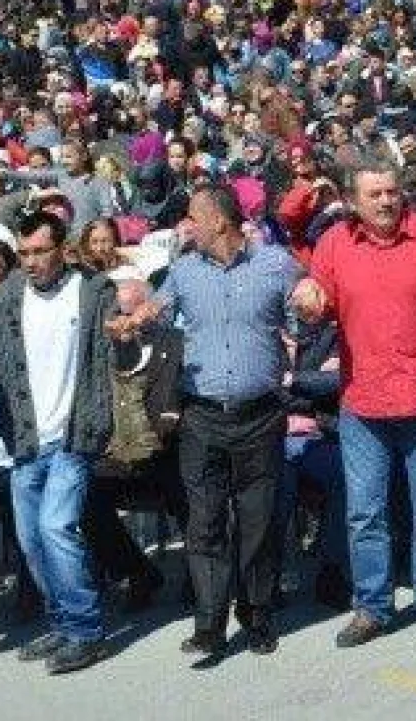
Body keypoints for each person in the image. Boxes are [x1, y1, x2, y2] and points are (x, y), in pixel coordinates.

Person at [114, 183, 303, 659]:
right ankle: (210, 622)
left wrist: (307, 311)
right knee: (205, 521)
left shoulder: (275, 264)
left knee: (258, 521)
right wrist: (137, 320)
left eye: (193, 217)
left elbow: (303, 318)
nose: (185, 226)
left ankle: (256, 614)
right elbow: (159, 313)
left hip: (259, 414)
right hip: (201, 415)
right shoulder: (182, 271)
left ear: (219, 221)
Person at [295, 157, 416, 647]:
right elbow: (319, 298)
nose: (386, 201)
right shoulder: (334, 243)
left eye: (392, 192)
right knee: (365, 512)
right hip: (364, 400)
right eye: (374, 194)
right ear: (353, 201)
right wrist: (310, 300)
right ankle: (372, 606)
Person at [0, 211, 125, 674]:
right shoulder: (7, 295)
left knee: (57, 527)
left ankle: (86, 629)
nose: (31, 261)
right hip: (24, 437)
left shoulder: (93, 291)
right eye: (23, 253)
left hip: (74, 432)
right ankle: (62, 621)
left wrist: (126, 334)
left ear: (63, 249)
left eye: (40, 252)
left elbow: (114, 352)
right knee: (29, 538)